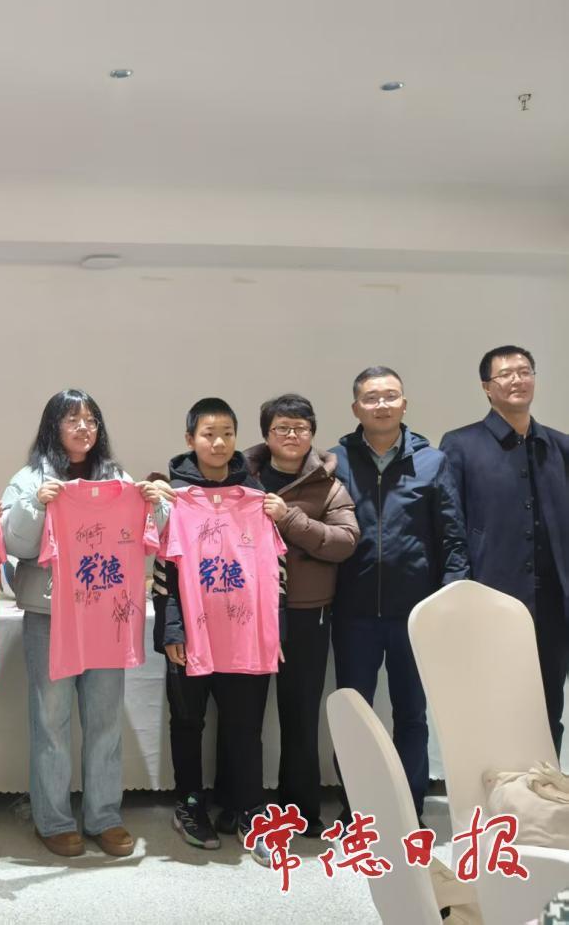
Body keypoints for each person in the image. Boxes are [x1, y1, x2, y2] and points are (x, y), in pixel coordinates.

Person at [0, 388, 158, 859]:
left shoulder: (117, 478)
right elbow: (13, 542)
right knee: (50, 721)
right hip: (50, 614)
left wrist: (155, 502)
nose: (83, 428)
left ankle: (104, 816)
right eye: (72, 419)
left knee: (105, 720)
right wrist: (37, 505)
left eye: (90, 419)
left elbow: (150, 534)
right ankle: (52, 819)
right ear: (53, 426)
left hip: (106, 615)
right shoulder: (30, 479)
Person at [331, 367, 469, 820]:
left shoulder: (432, 462)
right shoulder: (335, 461)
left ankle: (409, 810)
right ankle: (358, 811)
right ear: (356, 408)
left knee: (411, 714)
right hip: (353, 612)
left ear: (404, 404)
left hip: (414, 615)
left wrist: (447, 604)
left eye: (390, 396)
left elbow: (452, 537)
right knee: (355, 715)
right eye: (372, 398)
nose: (382, 405)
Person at [154, 398, 279, 865]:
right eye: (209, 434)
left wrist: (272, 630)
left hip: (244, 635)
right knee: (188, 722)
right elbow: (163, 572)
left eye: (227, 433)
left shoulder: (257, 496)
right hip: (190, 632)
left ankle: (249, 810)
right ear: (191, 439)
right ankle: (190, 805)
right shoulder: (174, 498)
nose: (219, 442)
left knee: (245, 727)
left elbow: (276, 571)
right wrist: (172, 630)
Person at [441, 347, 569, 753]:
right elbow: (451, 526)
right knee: (493, 702)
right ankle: (498, 789)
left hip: (553, 603)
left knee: (549, 703)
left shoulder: (560, 446)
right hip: (490, 597)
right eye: (506, 374)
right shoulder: (461, 445)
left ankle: (546, 785)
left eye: (525, 371)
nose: (517, 380)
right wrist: (458, 594)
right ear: (487, 387)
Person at [244, 394, 358, 836]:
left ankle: (302, 811)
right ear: (266, 434)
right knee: (243, 715)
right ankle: (243, 805)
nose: (292, 435)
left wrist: (288, 518)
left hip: (308, 611)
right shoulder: (243, 477)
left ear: (312, 433)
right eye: (282, 428)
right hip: (247, 611)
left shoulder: (328, 484)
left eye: (300, 428)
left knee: (300, 714)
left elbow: (345, 542)